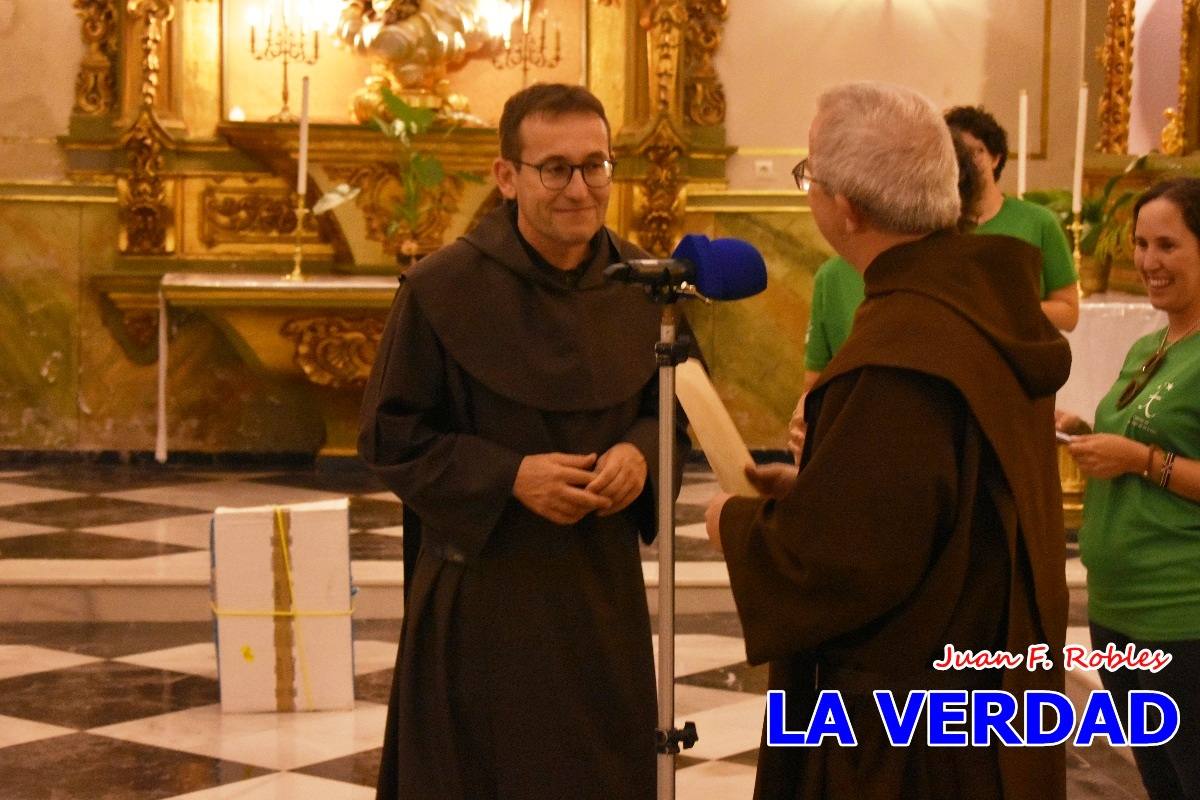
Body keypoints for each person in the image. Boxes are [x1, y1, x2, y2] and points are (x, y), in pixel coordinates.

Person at [704, 81, 1071, 800]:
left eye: (809, 174)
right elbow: (935, 500)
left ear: (846, 207)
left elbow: (841, 567)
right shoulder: (984, 303)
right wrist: (818, 490)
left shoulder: (904, 346)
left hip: (906, 727)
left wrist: (737, 525)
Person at [359, 82, 688, 800]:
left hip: (601, 600)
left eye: (595, 165)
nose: (580, 188)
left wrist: (640, 451)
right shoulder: (442, 287)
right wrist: (509, 476)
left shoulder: (646, 288)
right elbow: (391, 434)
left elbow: (676, 412)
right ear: (506, 176)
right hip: (484, 600)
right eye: (556, 168)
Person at [1058, 177, 1200, 800]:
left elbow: (1151, 454)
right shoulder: (1150, 344)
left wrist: (1140, 459)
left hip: (1182, 608)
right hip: (1121, 609)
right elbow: (1150, 439)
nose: (1147, 262)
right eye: (1141, 244)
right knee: (1161, 783)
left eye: (1167, 245)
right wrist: (1083, 432)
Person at [794, 130, 983, 457]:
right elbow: (819, 382)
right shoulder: (838, 276)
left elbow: (906, 454)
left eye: (814, 179)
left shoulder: (935, 297)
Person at [945, 104, 1080, 332]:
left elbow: (1069, 314)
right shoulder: (939, 224)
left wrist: (1007, 309)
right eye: (958, 152)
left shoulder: (1039, 222)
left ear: (995, 158)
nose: (967, 162)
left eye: (977, 151)